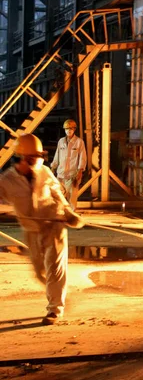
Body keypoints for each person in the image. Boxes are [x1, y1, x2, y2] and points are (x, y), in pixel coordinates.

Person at [0, 134, 84, 325]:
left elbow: (56, 193)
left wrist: (69, 213)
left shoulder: (45, 172)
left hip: (54, 226)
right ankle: (58, 296)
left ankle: (55, 309)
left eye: (39, 157)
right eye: (33, 157)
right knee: (40, 272)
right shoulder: (7, 180)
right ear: (23, 158)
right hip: (31, 231)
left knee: (55, 269)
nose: (37, 161)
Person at [51, 119, 87, 210]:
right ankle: (60, 215)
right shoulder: (61, 142)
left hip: (72, 175)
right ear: (64, 129)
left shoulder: (79, 142)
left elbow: (83, 158)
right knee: (59, 197)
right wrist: (53, 168)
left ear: (74, 129)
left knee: (72, 198)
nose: (69, 130)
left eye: (71, 128)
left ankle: (71, 216)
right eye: (67, 128)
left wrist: (80, 171)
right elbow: (57, 156)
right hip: (61, 174)